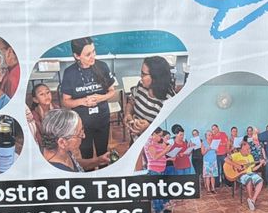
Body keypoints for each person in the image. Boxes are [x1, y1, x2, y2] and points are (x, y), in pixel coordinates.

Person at [59, 38, 118, 167]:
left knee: (103, 153)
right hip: (82, 125)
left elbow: (112, 91)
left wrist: (101, 98)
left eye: (94, 51)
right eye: (88, 54)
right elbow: (66, 102)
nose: (93, 56)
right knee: (86, 154)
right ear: (77, 56)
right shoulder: (70, 73)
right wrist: (83, 101)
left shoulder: (102, 66)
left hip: (102, 119)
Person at [128, 55, 175, 138]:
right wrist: (128, 114)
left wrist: (149, 128)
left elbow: (167, 132)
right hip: (135, 139)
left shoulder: (170, 100)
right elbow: (131, 102)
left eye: (144, 74)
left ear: (156, 77)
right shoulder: (141, 85)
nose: (141, 77)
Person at [25, 80, 56, 146]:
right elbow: (38, 138)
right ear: (35, 100)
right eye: (41, 94)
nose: (46, 96)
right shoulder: (33, 115)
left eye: (48, 92)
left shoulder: (57, 109)